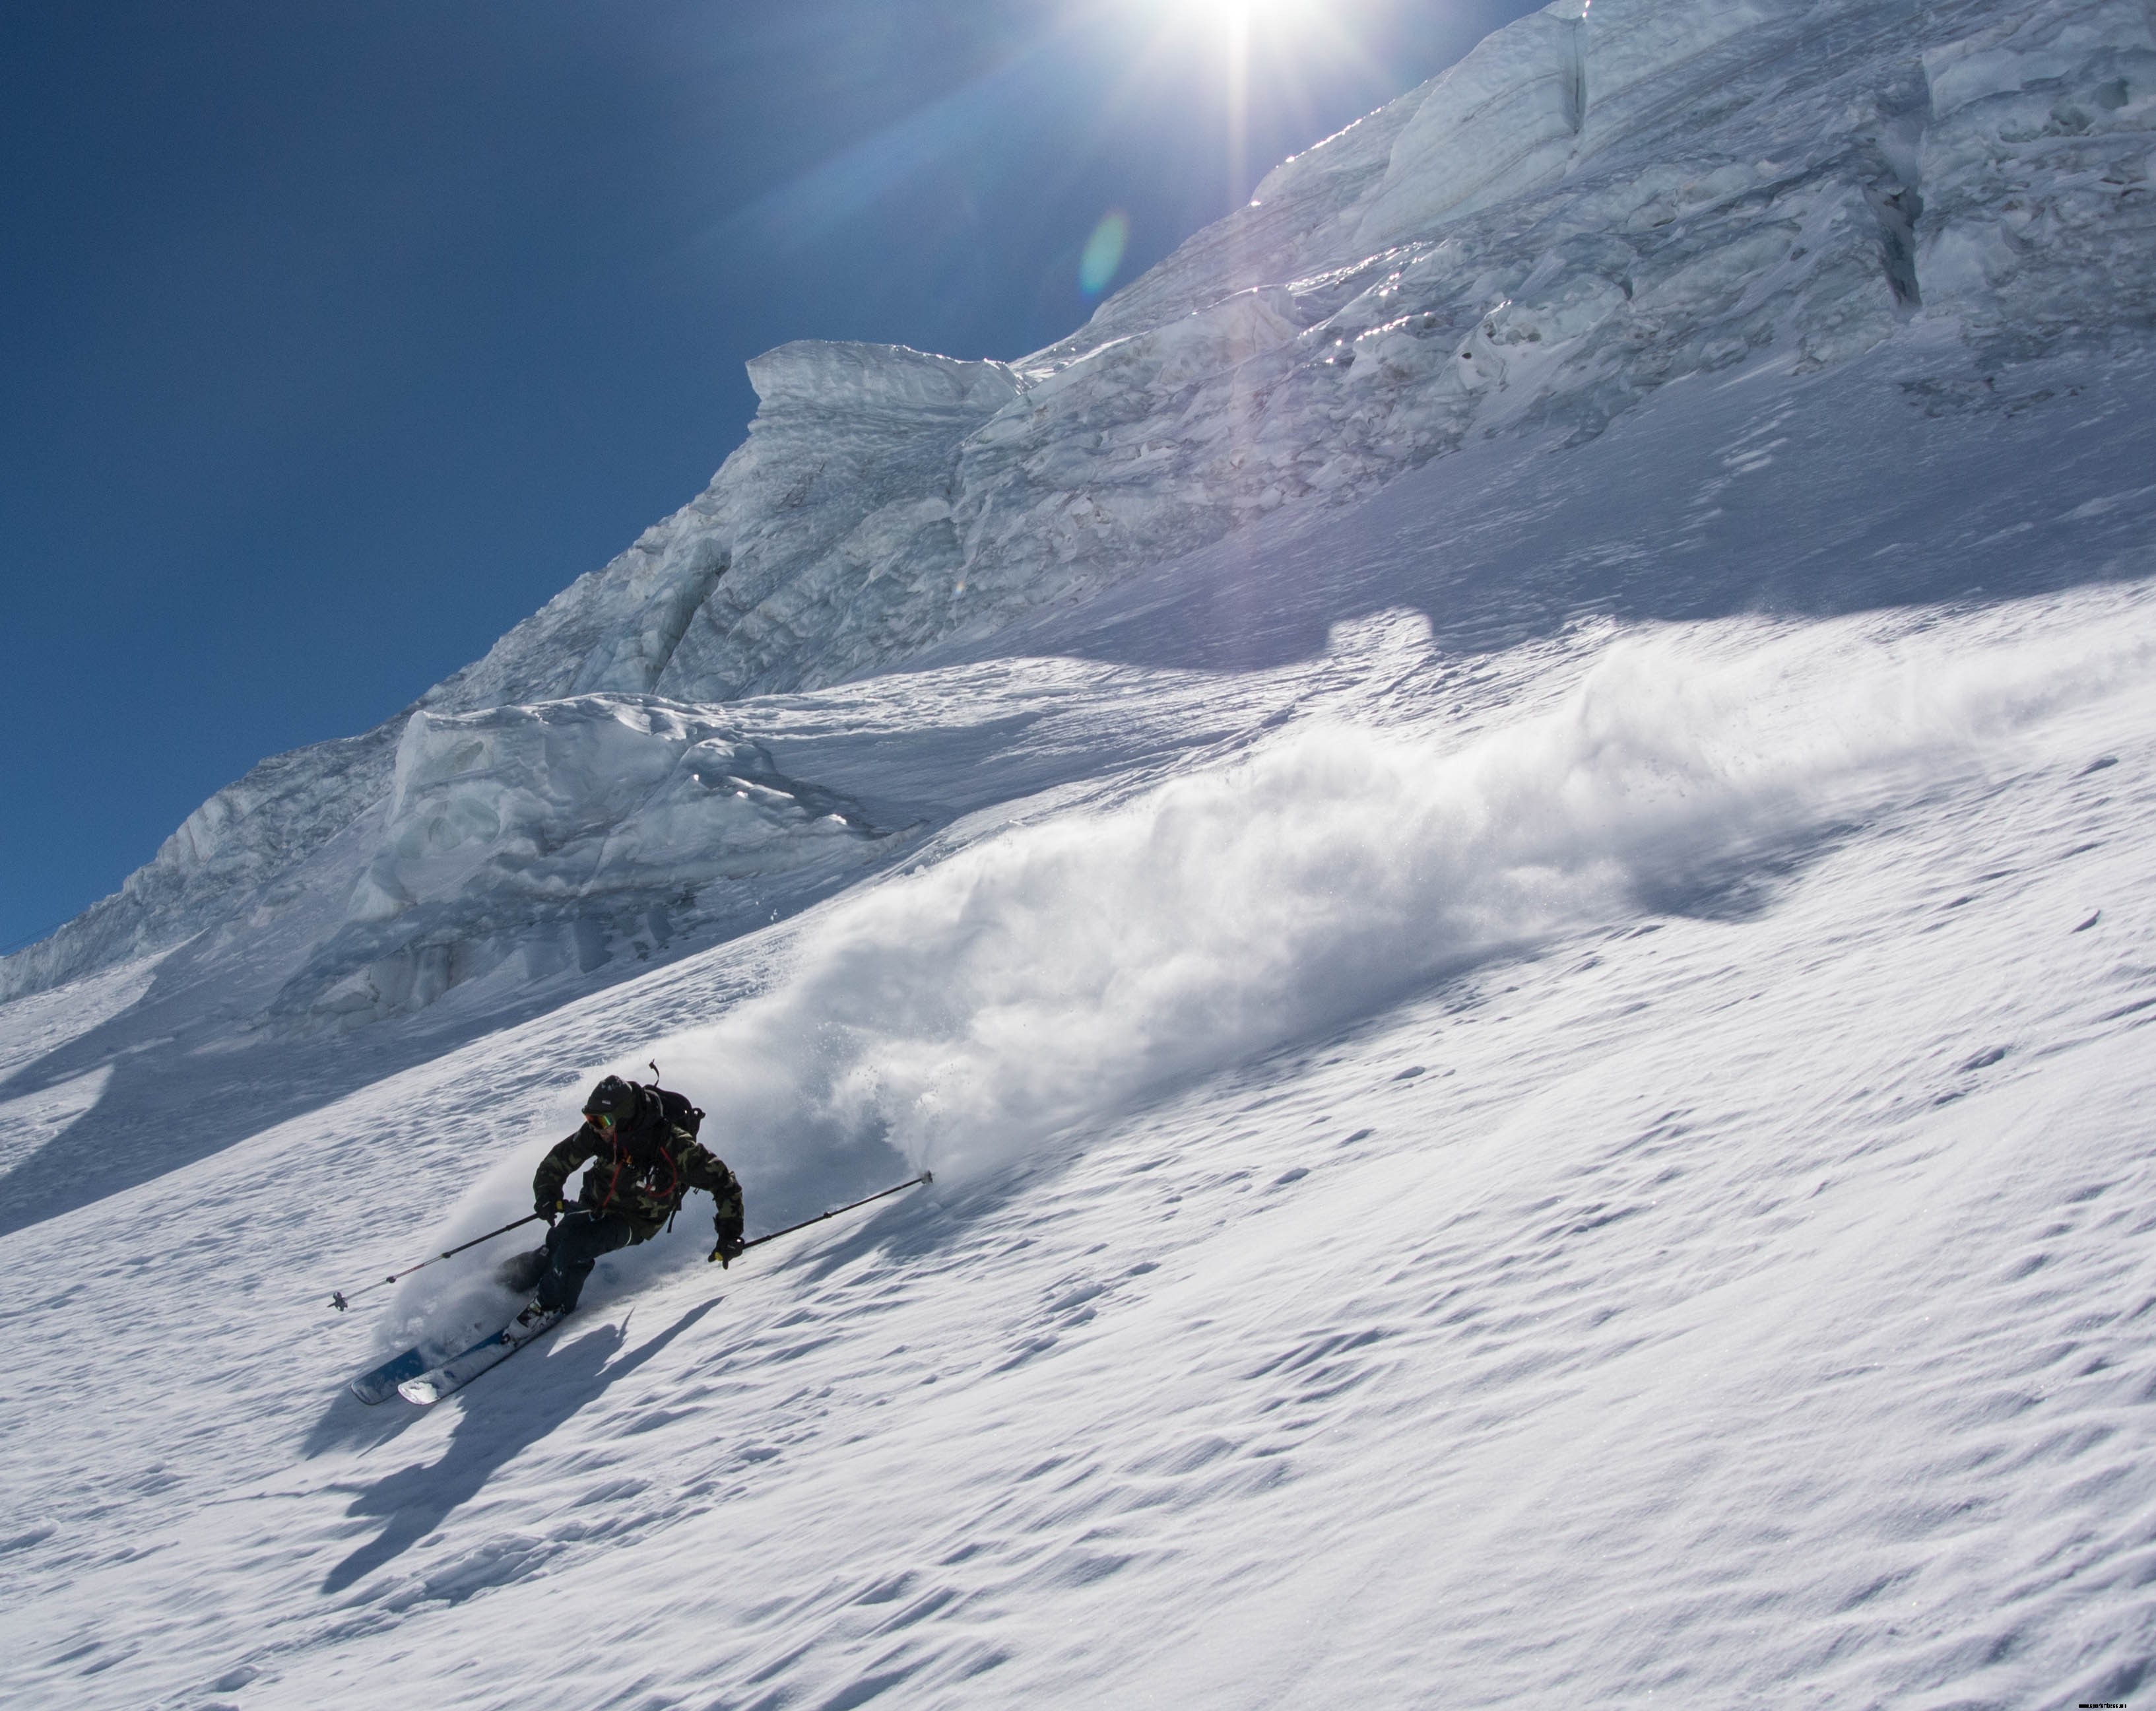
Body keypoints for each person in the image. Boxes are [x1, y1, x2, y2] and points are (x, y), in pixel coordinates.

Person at [509, 1074, 746, 1316]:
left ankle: (551, 1307)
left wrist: (730, 1234)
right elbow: (558, 1160)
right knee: (560, 1238)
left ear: (622, 1116)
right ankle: (515, 1279)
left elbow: (723, 1182)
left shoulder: (670, 1144)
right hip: (596, 1199)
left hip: (635, 1218)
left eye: (600, 1121)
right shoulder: (600, 1131)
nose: (594, 1126)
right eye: (589, 1119)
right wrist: (547, 1194)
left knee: (576, 1247)